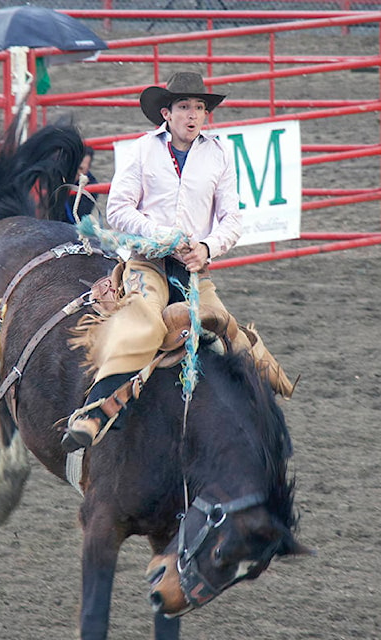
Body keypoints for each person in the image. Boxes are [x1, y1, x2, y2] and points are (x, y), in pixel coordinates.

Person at [63, 71, 293, 452]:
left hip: (193, 271)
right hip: (147, 263)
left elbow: (231, 219)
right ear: (166, 114)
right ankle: (96, 411)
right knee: (143, 320)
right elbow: (118, 210)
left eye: (199, 108)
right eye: (184, 107)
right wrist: (163, 238)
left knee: (230, 333)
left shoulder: (219, 154)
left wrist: (206, 247)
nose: (193, 115)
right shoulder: (142, 150)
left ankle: (268, 417)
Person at [64, 144, 98, 223]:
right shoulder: (54, 177)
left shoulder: (91, 186)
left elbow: (79, 217)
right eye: (72, 166)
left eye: (80, 168)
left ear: (87, 170)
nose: (75, 171)